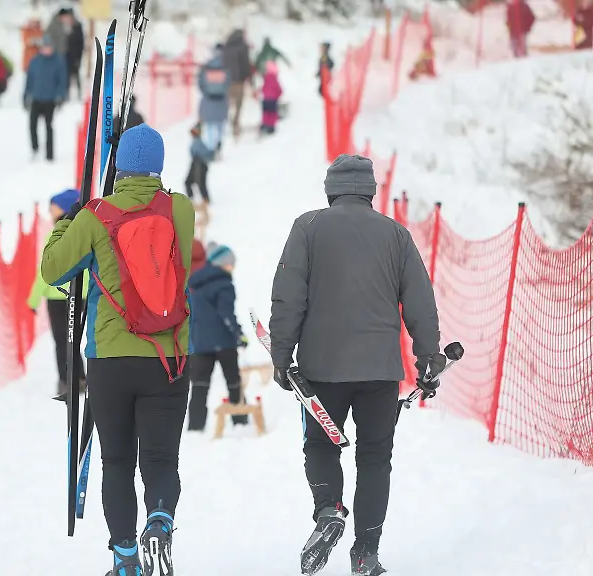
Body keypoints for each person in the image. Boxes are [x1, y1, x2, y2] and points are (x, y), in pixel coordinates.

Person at [268, 154, 441, 576]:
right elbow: (420, 301)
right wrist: (427, 356)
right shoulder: (395, 235)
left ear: (330, 190)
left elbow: (289, 296)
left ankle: (329, 509)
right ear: (370, 192)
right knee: (376, 459)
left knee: (320, 445)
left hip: (321, 371)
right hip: (380, 371)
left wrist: (281, 355)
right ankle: (366, 553)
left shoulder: (307, 227)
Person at [40, 124, 195, 576]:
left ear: (119, 167)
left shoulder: (95, 216)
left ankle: (125, 560)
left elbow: (53, 271)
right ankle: (160, 521)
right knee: (161, 459)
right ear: (159, 166)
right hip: (169, 358)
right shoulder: (180, 209)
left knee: (117, 463)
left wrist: (67, 223)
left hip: (110, 359)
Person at [28, 189, 88, 397]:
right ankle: (80, 377)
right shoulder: (83, 230)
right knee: (73, 338)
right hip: (79, 294)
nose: (50, 211)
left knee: (62, 340)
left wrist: (33, 299)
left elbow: (45, 271)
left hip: (57, 296)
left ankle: (66, 381)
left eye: (52, 206)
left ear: (63, 208)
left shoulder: (57, 234)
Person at [186, 242, 249, 432]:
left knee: (199, 385)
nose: (232, 266)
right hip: (224, 342)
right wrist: (239, 335)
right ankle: (240, 422)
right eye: (231, 263)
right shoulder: (224, 284)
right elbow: (226, 314)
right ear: (223, 263)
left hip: (201, 342)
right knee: (233, 382)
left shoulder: (196, 284)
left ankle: (196, 427)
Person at [24, 37, 67, 161]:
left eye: (49, 47)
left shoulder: (58, 61)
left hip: (50, 99)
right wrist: (26, 95)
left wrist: (60, 96)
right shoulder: (35, 61)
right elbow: (29, 80)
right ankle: (35, 149)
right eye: (45, 47)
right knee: (32, 125)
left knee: (49, 126)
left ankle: (49, 154)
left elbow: (62, 80)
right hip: (36, 98)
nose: (47, 50)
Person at [197, 44, 230, 152]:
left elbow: (200, 83)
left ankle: (211, 147)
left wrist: (207, 92)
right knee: (220, 124)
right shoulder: (226, 67)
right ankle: (218, 143)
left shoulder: (206, 67)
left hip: (208, 100)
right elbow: (228, 83)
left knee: (210, 125)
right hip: (221, 100)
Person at [221, 29, 253, 136]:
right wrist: (249, 78)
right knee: (238, 104)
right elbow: (245, 63)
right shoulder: (242, 47)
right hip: (239, 80)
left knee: (228, 103)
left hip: (227, 80)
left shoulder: (226, 47)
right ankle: (235, 123)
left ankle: (226, 121)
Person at [185, 123, 214, 204]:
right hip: (195, 163)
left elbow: (207, 153)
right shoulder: (196, 141)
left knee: (200, 183)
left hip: (200, 164)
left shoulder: (199, 142)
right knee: (188, 182)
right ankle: (193, 199)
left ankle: (205, 200)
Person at [260, 61, 283, 135]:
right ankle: (271, 126)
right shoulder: (274, 79)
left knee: (266, 112)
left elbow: (263, 88)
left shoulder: (266, 78)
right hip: (272, 99)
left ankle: (264, 124)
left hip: (265, 99)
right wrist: (278, 94)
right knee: (272, 113)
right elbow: (278, 89)